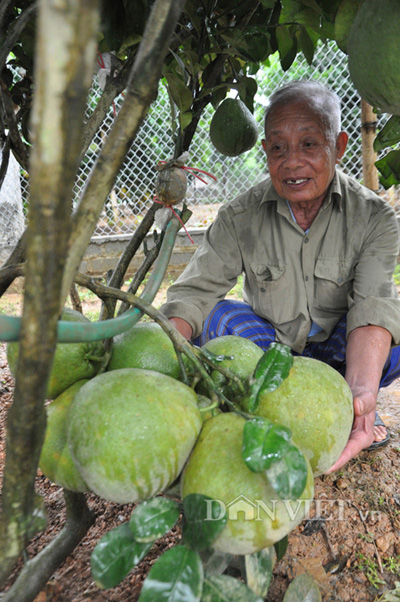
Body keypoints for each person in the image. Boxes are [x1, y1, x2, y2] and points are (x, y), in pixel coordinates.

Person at [160, 80, 400, 473]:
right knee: (217, 318)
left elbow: (373, 306)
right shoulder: (240, 216)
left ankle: (342, 409)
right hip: (271, 353)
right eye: (277, 148)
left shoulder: (374, 217)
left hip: (339, 352)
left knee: (390, 335)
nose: (292, 162)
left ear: (338, 147)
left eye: (309, 144)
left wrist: (361, 394)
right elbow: (195, 293)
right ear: (266, 152)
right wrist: (161, 371)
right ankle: (274, 406)